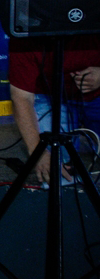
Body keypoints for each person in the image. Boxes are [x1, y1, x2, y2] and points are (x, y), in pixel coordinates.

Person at [9, 35, 100, 185]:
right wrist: (38, 153)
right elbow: (21, 97)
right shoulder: (26, 33)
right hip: (50, 98)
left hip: (96, 96)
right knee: (54, 171)